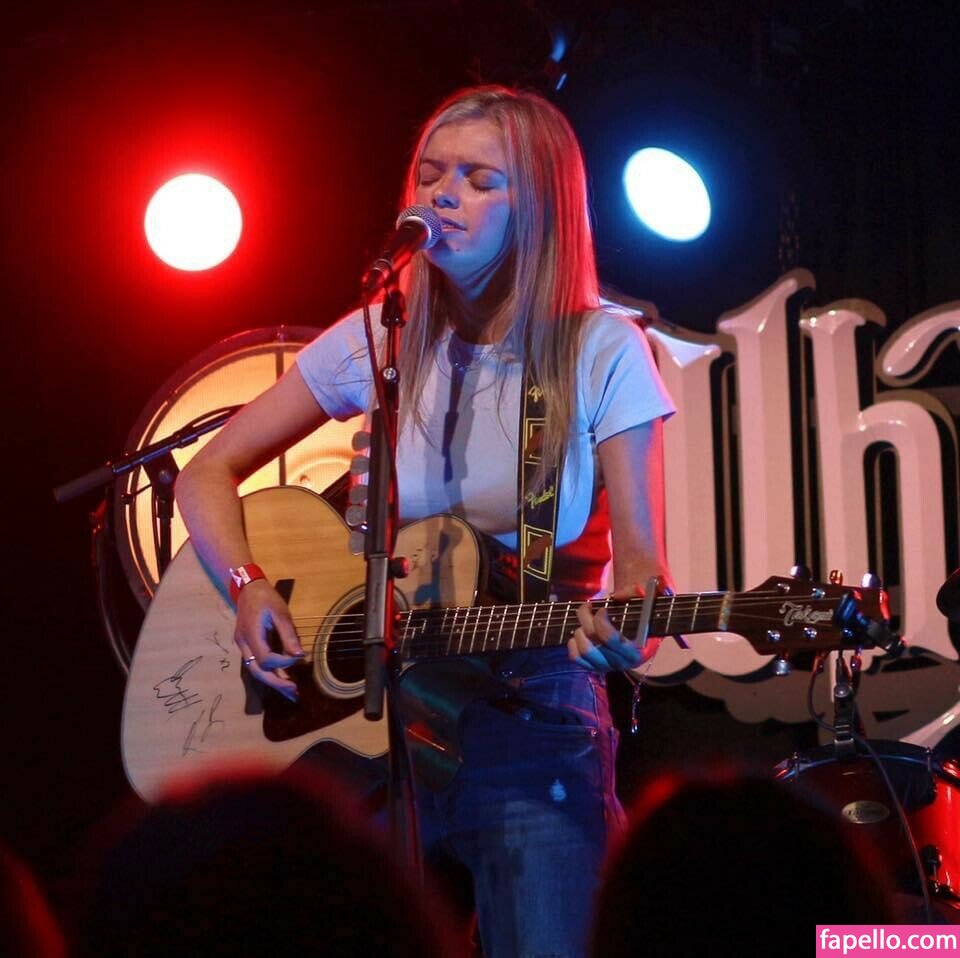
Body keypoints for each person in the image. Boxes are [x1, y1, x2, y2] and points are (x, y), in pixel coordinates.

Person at [175, 84, 675, 958]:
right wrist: (248, 586)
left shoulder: (601, 350)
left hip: (532, 711)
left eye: (480, 179)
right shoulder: (383, 335)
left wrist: (631, 628)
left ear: (540, 208)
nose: (443, 195)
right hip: (380, 727)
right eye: (432, 174)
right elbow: (206, 472)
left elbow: (642, 572)